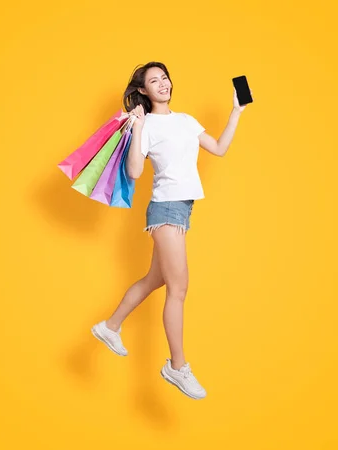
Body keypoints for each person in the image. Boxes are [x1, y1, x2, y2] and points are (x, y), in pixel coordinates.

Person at [91, 61, 249, 399]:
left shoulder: (186, 121)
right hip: (166, 209)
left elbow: (219, 149)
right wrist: (136, 128)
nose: (162, 83)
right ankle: (177, 367)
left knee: (156, 280)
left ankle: (109, 326)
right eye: (153, 81)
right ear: (144, 92)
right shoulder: (145, 125)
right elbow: (134, 171)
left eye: (164, 78)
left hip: (182, 209)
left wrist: (236, 111)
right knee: (178, 289)